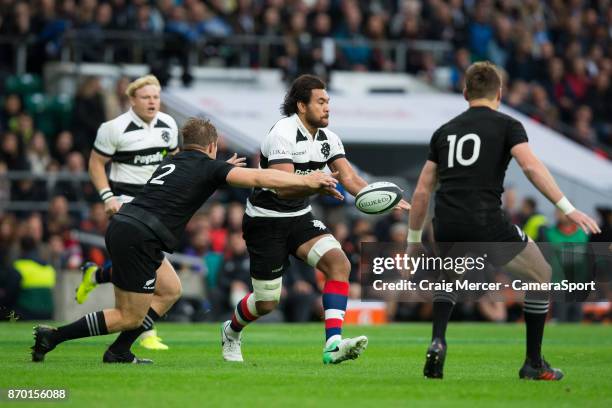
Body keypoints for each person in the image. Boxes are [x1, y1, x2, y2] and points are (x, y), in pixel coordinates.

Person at [31, 118, 338, 364]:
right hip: (142, 235)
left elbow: (197, 176)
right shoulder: (209, 166)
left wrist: (220, 166)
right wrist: (308, 180)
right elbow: (261, 178)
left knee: (169, 291)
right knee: (128, 315)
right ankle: (54, 336)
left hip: (128, 226)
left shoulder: (176, 160)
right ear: (213, 146)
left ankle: (119, 352)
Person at [407, 61, 600, 380]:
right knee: (541, 273)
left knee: (450, 279)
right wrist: (567, 207)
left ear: (465, 92)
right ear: (500, 92)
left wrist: (414, 241)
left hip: (447, 222)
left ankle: (438, 340)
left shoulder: (443, 132)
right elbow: (531, 168)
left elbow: (422, 191)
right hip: (485, 220)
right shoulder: (508, 125)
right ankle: (533, 363)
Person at [221, 74, 410, 365]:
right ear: (301, 106)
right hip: (266, 221)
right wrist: (315, 182)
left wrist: (384, 198)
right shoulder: (281, 133)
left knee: (339, 263)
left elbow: (348, 177)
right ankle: (231, 331)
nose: (327, 108)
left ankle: (333, 344)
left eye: (328, 102)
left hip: (299, 217)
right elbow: (282, 185)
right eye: (320, 102)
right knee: (267, 301)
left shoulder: (328, 138)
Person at [75, 74, 181, 351]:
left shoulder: (168, 124)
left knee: (136, 269)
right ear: (132, 100)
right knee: (153, 272)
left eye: (156, 97)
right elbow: (96, 164)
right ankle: (144, 334)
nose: (152, 102)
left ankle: (97, 276)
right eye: (146, 97)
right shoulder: (113, 128)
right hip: (127, 206)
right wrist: (107, 197)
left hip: (156, 207)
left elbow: (174, 162)